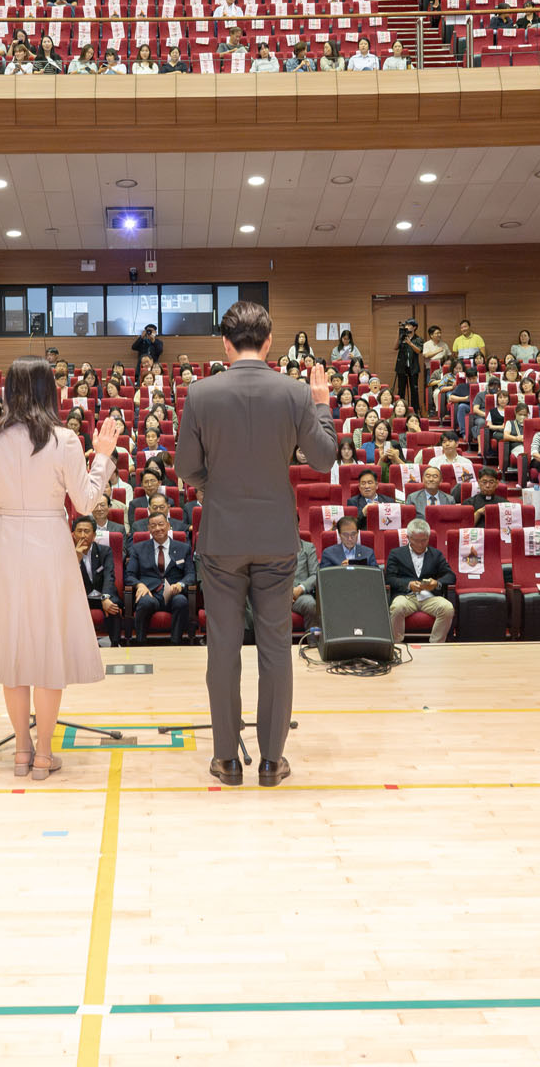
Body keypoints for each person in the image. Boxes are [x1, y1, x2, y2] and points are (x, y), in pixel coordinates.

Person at [179, 299, 337, 788]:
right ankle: (271, 762)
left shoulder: (200, 393)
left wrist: (216, 487)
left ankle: (226, 760)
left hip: (222, 537)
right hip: (275, 537)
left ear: (225, 344)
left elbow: (185, 467)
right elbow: (323, 459)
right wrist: (322, 404)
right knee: (275, 649)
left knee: (223, 650)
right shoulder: (295, 392)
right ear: (269, 342)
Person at [0, 356, 122, 780]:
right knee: (48, 648)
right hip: (51, 546)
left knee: (15, 647)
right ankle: (43, 754)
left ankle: (21, 751)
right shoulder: (64, 438)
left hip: (9, 544)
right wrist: (103, 457)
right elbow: (87, 501)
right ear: (48, 390)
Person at [127, 511, 196, 644]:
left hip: (173, 592)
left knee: (181, 601)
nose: (157, 528)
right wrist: (139, 585)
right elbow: (129, 575)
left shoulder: (183, 548)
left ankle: (176, 643)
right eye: (153, 526)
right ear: (149, 528)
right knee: (145, 602)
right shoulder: (138, 549)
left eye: (161, 524)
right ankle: (140, 643)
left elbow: (191, 574)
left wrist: (180, 584)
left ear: (168, 525)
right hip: (150, 592)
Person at [384, 519, 456, 643]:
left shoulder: (436, 554)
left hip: (429, 597)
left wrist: (436, 584)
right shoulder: (396, 554)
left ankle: (436, 645)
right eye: (416, 540)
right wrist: (408, 585)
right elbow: (389, 578)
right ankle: (396, 644)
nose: (420, 545)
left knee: (447, 608)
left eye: (424, 540)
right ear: (408, 538)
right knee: (397, 607)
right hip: (406, 596)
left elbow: (450, 576)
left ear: (428, 538)